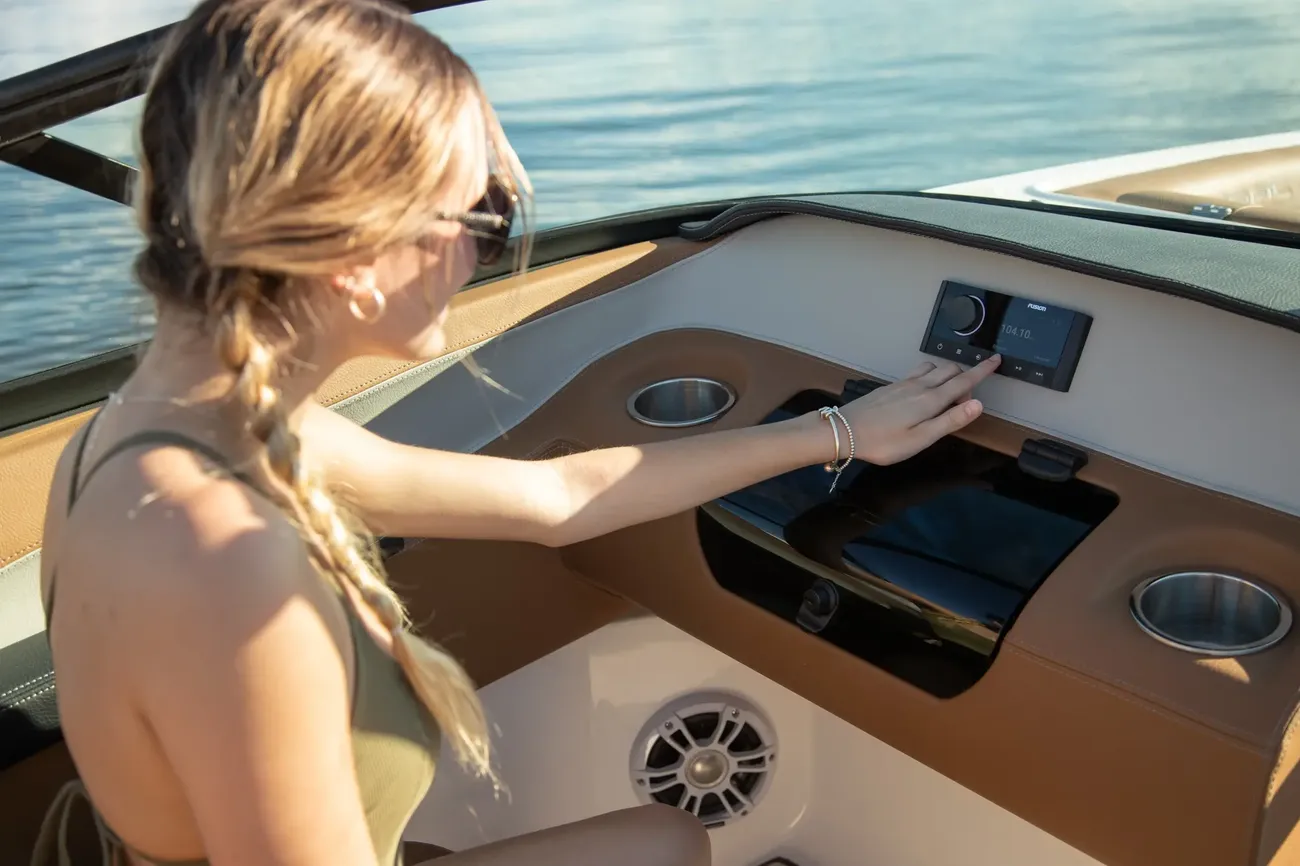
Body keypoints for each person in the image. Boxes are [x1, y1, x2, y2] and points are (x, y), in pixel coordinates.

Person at [32, 0, 1002, 863]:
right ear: (355, 248)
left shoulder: (174, 430)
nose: (484, 252)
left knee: (666, 837)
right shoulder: (224, 557)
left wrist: (838, 431)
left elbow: (559, 498)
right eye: (478, 215)